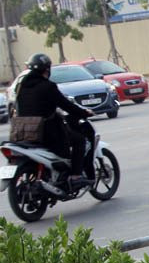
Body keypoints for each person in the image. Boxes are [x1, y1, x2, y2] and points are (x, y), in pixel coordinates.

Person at [13, 53, 94, 188]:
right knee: (79, 140)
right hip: (46, 132)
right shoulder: (48, 86)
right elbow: (66, 105)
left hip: (22, 131)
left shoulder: (21, 86)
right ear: (47, 69)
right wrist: (84, 112)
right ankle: (75, 176)